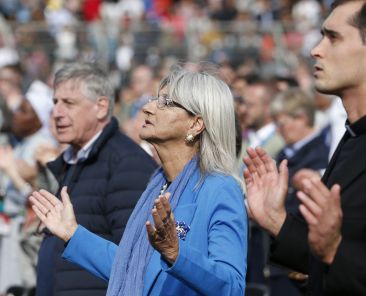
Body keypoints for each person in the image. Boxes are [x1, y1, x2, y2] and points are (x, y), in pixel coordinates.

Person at [30, 66, 248, 295]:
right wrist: (73, 234)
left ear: (195, 124)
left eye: (165, 102)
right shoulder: (158, 185)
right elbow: (130, 269)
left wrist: (176, 253)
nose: (147, 108)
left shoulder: (220, 189)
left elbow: (232, 286)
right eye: (154, 99)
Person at [243, 1, 366, 295]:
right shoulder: (353, 137)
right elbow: (323, 255)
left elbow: (334, 253)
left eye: (333, 37)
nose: (316, 49)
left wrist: (334, 251)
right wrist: (276, 220)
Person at [35, 63, 157, 296]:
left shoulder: (126, 164)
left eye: (69, 103)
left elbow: (134, 261)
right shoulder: (74, 160)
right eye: (55, 103)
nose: (57, 113)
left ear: (100, 107)